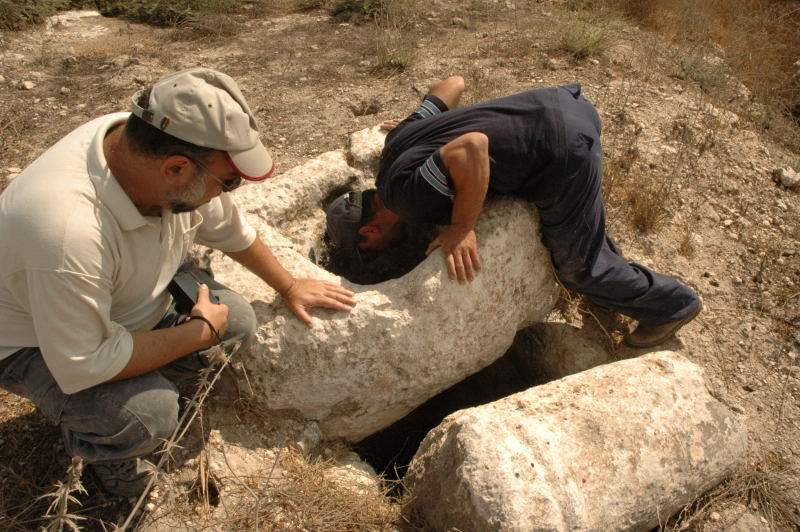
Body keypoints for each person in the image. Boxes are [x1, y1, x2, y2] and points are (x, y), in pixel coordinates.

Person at [0, 68, 355, 497]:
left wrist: (289, 285)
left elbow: (230, 230)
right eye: (227, 182)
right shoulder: (68, 231)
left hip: (120, 299)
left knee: (237, 321)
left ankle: (147, 377)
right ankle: (108, 452)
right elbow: (84, 362)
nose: (226, 192)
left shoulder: (145, 148)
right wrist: (198, 333)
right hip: (37, 342)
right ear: (176, 168)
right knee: (149, 414)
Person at [325, 75, 700, 348]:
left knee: (577, 269)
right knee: (580, 228)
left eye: (367, 249)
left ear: (369, 231)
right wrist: (424, 127)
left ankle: (671, 305)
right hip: (563, 103)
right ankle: (617, 284)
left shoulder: (407, 199)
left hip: (560, 152)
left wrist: (461, 227)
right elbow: (453, 83)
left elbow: (472, 147)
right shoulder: (395, 146)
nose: (375, 251)